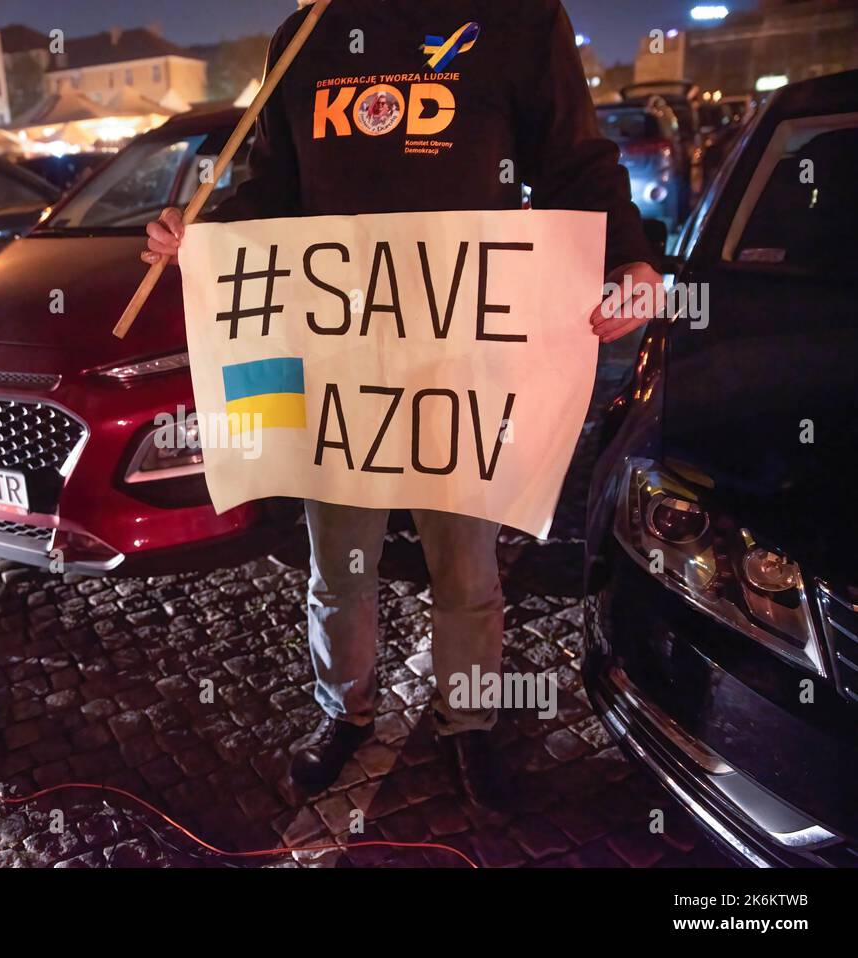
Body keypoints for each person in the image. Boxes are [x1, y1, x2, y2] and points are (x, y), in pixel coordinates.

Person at [143, 0, 664, 805]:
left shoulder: (515, 19)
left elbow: (574, 159)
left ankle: (471, 720)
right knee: (337, 568)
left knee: (466, 566)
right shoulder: (307, 31)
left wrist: (629, 253)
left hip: (464, 355)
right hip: (338, 362)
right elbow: (271, 186)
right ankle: (345, 713)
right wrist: (205, 237)